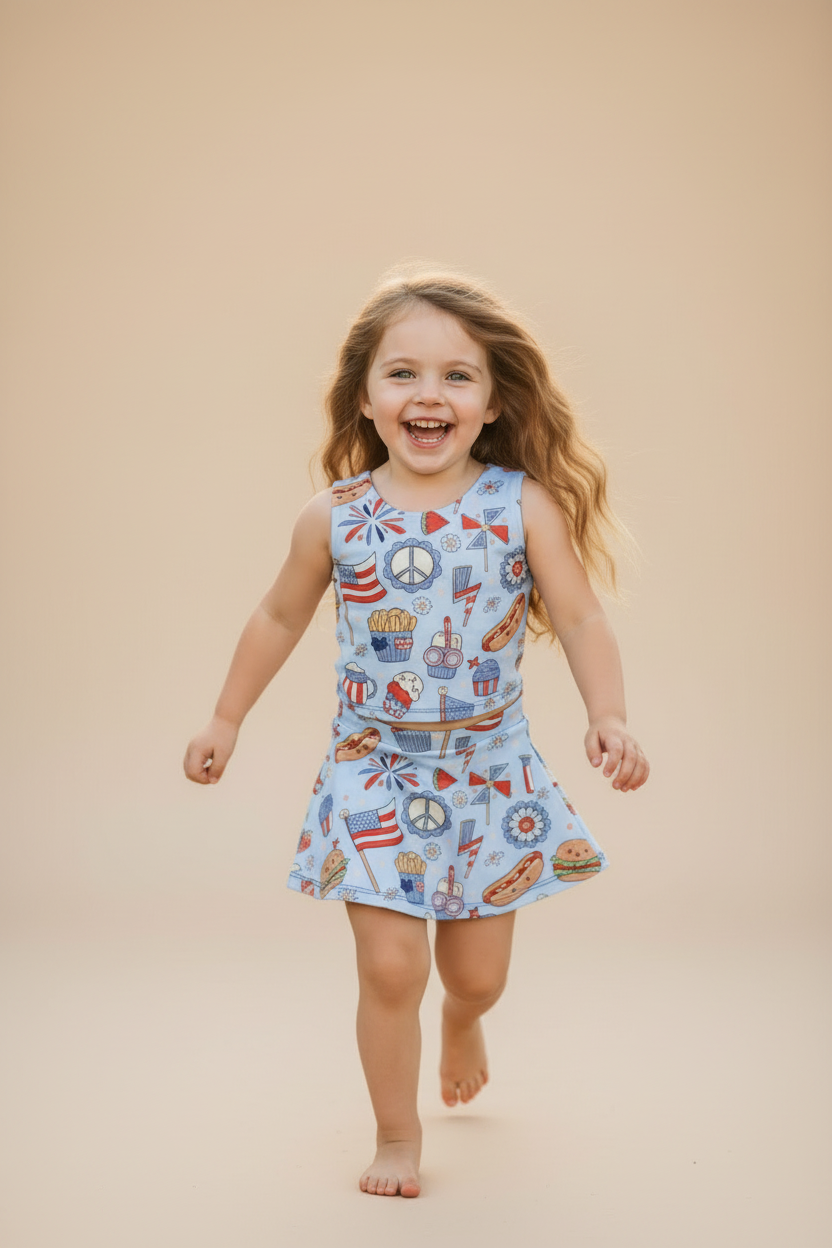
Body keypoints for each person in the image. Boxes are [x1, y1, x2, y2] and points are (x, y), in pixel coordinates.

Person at [183, 265, 650, 1199]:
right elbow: (276, 619)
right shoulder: (336, 519)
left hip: (489, 775)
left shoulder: (521, 507)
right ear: (364, 397)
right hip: (375, 769)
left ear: (490, 403)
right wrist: (225, 718)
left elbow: (585, 619)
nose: (428, 394)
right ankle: (398, 1135)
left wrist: (609, 714)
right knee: (392, 967)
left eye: (457, 377)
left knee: (474, 974)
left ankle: (467, 1021)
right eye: (403, 374)